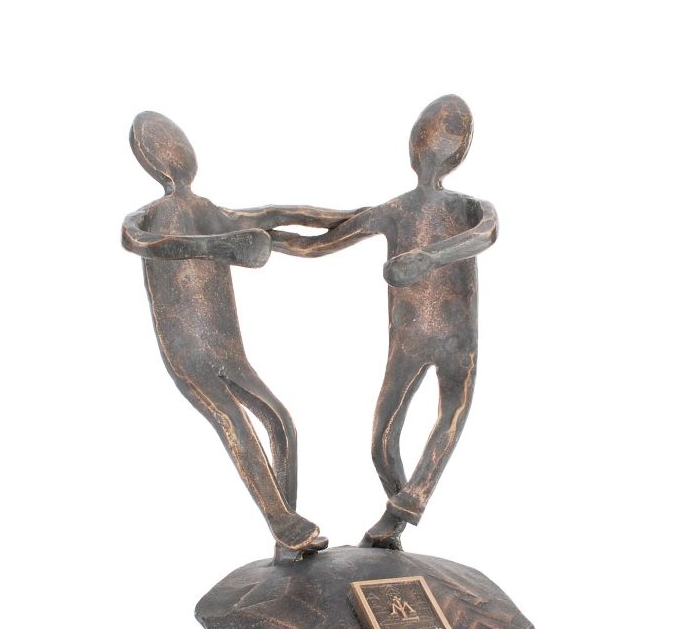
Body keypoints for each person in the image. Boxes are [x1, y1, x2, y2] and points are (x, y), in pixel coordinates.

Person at [122, 111, 357, 555]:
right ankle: (281, 520)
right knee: (232, 419)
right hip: (187, 353)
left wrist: (351, 220)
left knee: (280, 421)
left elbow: (274, 216)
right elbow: (138, 241)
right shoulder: (149, 217)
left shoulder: (208, 211)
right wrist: (220, 246)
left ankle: (289, 540)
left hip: (229, 351)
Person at [271, 95, 498, 549]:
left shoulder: (470, 207)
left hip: (457, 338)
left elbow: (486, 234)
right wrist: (267, 236)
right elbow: (327, 237)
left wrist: (428, 257)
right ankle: (397, 518)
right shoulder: (395, 210)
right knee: (382, 441)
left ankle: (408, 503)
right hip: (408, 341)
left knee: (451, 411)